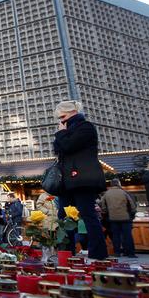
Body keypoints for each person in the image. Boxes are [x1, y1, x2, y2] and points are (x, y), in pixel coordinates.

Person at [54, 100, 108, 260]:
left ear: (72, 112)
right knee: (64, 216)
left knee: (87, 214)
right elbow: (58, 149)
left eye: (63, 115)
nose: (61, 120)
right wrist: (61, 134)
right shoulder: (66, 129)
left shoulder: (85, 127)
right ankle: (66, 252)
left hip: (82, 178)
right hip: (67, 180)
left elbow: (69, 146)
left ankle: (98, 253)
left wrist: (61, 134)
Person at [100, 178, 137, 258]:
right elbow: (132, 205)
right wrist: (132, 214)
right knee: (127, 236)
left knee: (115, 236)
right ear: (119, 184)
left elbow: (102, 206)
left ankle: (117, 252)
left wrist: (106, 214)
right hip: (125, 218)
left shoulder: (106, 194)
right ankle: (130, 253)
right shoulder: (124, 192)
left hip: (113, 218)